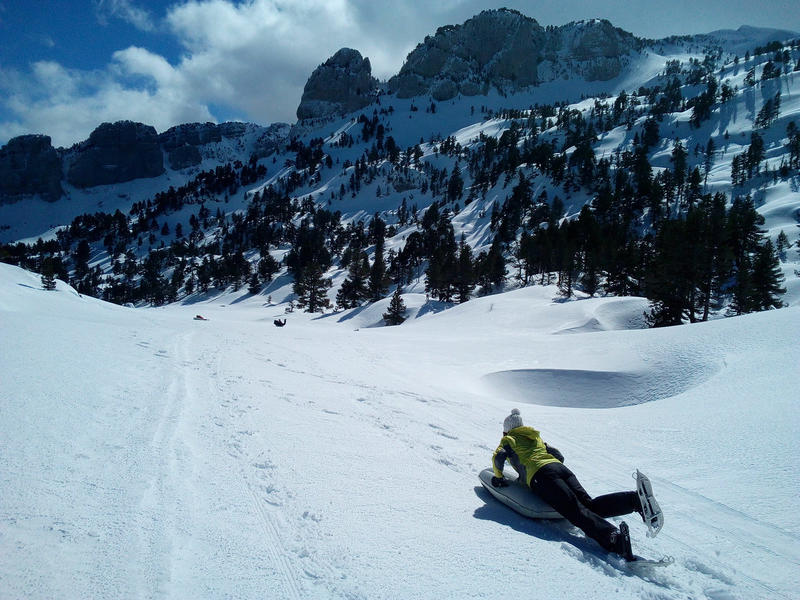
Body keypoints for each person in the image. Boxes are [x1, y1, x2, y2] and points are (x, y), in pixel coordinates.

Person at [491, 408, 652, 560]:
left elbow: (499, 457)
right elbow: (558, 455)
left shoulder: (508, 439)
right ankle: (634, 501)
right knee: (589, 505)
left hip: (541, 475)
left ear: (507, 430)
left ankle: (615, 540)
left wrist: (498, 478)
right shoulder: (534, 437)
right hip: (560, 469)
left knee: (575, 511)